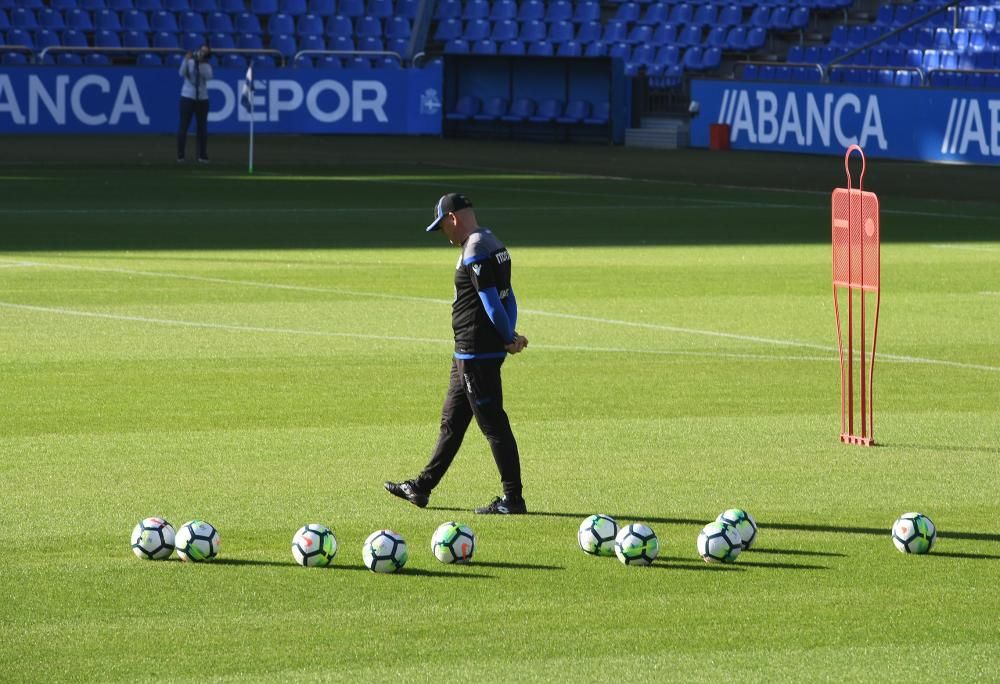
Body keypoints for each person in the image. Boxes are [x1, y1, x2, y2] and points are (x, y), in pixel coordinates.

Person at [385, 193, 530, 515]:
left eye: (442, 228)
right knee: (452, 422)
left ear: (452, 218)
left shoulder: (475, 249)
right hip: (468, 353)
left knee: (493, 425)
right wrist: (510, 335)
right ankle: (421, 487)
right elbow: (510, 297)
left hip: (476, 352)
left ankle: (513, 499)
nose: (444, 235)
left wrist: (508, 336)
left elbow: (492, 301)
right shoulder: (493, 241)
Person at [176, 44, 212, 163]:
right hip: (187, 96)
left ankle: (202, 155)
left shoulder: (206, 66)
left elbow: (209, 77)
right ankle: (180, 155)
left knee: (202, 128)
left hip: (202, 98)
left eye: (205, 52)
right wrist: (186, 60)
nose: (202, 54)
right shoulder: (189, 61)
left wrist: (200, 65)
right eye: (201, 51)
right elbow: (181, 73)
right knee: (183, 126)